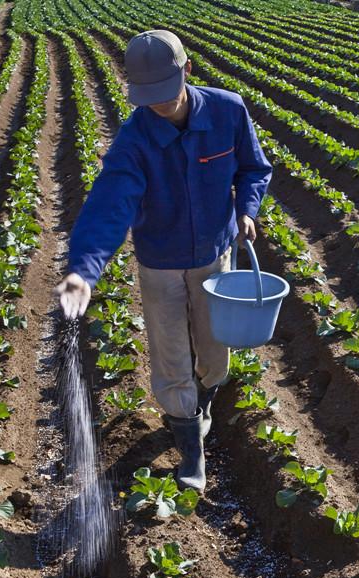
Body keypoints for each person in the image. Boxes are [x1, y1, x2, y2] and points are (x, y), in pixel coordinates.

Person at [53, 30, 273, 493]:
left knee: (215, 352)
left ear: (187, 71)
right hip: (161, 264)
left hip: (215, 254)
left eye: (166, 94)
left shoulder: (227, 111)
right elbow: (109, 206)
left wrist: (246, 210)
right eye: (147, 97)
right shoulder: (135, 140)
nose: (159, 105)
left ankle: (206, 399)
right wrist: (83, 271)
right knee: (171, 356)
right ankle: (191, 448)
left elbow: (254, 168)